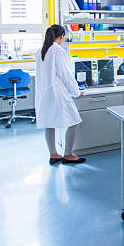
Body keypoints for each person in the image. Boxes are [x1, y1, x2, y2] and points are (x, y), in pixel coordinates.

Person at [35, 24, 86, 165]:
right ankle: (68, 154)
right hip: (57, 93)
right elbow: (66, 75)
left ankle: (53, 154)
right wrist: (76, 92)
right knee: (74, 121)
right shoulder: (57, 51)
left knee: (49, 124)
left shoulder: (40, 50)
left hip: (43, 93)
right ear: (62, 36)